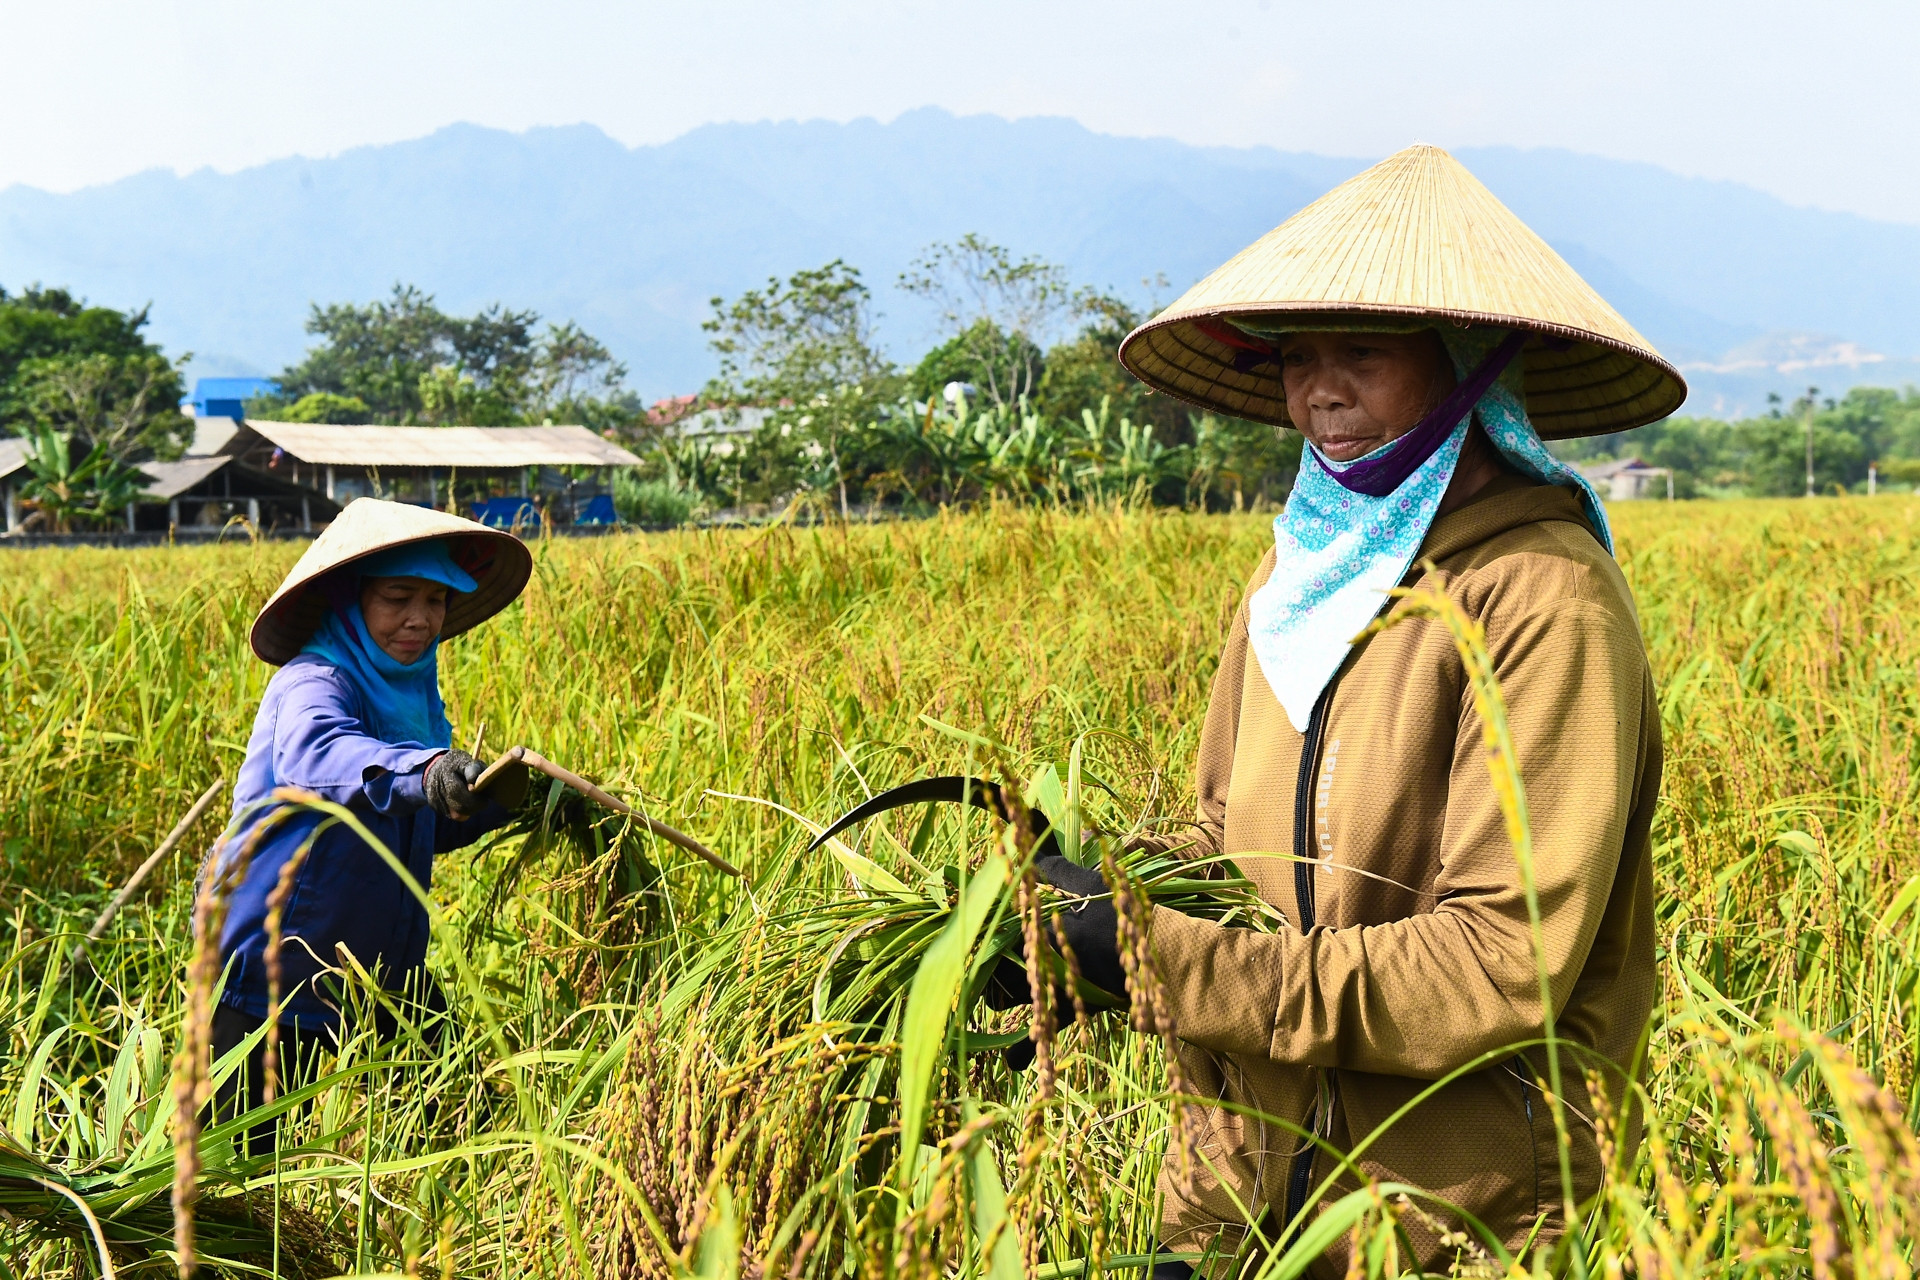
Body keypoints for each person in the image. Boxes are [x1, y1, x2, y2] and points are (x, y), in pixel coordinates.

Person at [1033, 145, 1678, 1275]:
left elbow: (1496, 962)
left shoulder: (1540, 598)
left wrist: (1153, 957)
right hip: (1245, 1191)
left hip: (1449, 1219)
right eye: (1297, 358)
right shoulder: (1295, 590)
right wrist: (1090, 910)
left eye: (1364, 354)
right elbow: (1220, 843)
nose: (1319, 391)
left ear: (1472, 363)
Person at [206, 498, 534, 1152]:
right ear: (352, 600)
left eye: (437, 600)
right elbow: (318, 758)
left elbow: (415, 827)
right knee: (233, 1156)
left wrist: (496, 800)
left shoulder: (413, 697)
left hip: (381, 956)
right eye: (397, 598)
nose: (420, 619)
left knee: (459, 1113)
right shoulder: (316, 679)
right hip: (282, 953)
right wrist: (426, 770)